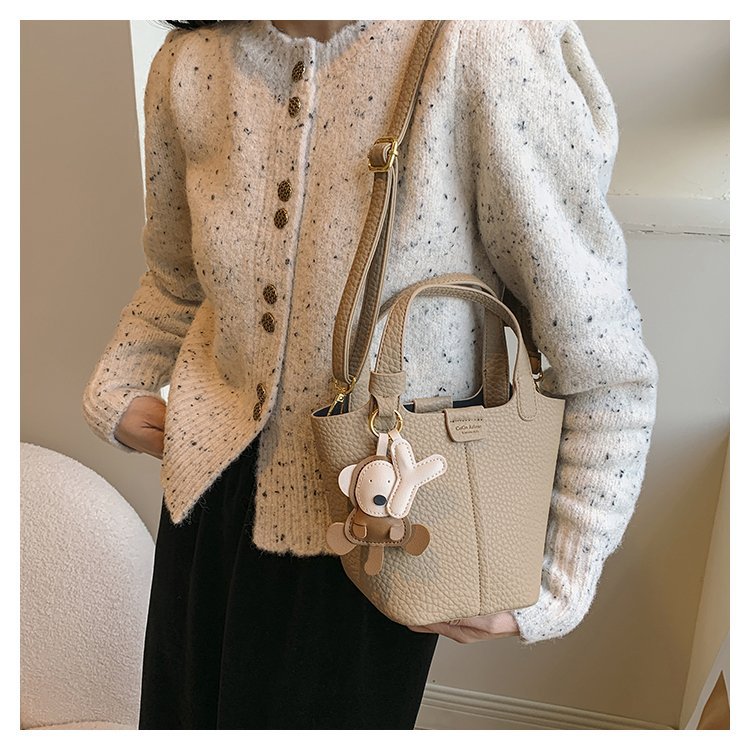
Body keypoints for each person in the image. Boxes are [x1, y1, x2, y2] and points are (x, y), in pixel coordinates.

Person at [81, 19, 659, 730]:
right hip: (203, 501)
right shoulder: (189, 64)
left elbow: (602, 359)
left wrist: (555, 579)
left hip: (379, 521)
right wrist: (119, 388)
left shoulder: (487, 48)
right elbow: (174, 278)